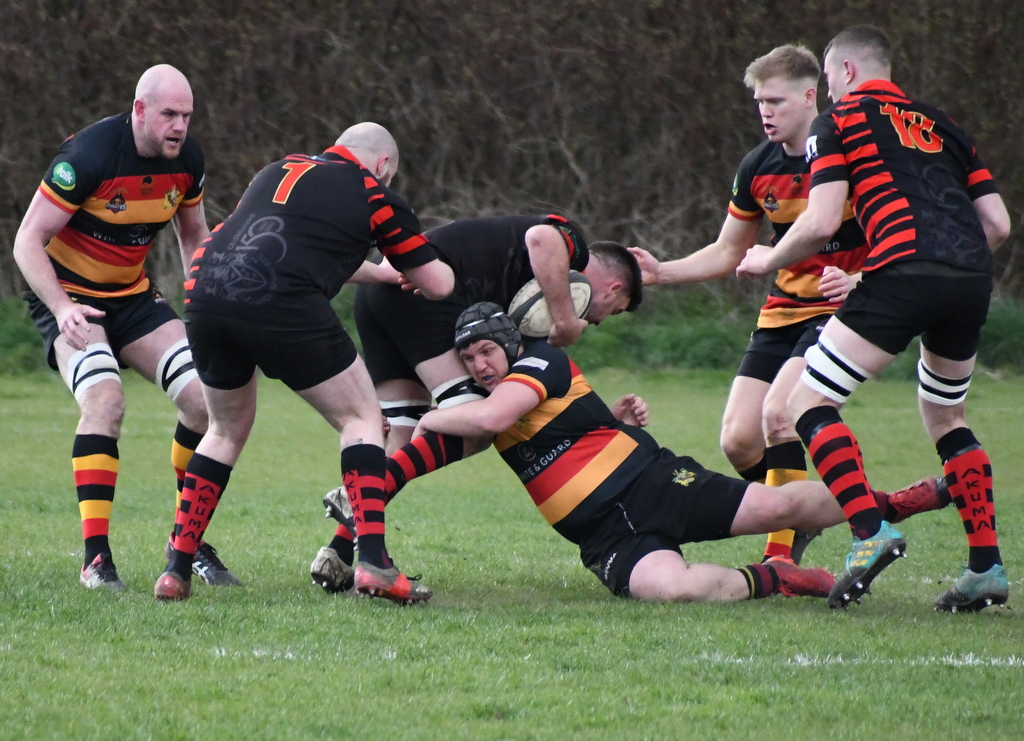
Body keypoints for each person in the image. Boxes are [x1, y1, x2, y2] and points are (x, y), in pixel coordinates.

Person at [319, 302, 949, 602]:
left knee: (777, 507)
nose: (480, 364)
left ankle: (894, 505)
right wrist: (370, 489)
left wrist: (422, 413)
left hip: (654, 483)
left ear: (509, 344)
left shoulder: (539, 363)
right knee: (671, 592)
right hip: (604, 537)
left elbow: (489, 417)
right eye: (469, 358)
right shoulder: (479, 405)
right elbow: (429, 457)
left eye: (487, 350)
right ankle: (777, 577)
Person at [736, 25, 1011, 611]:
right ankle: (985, 568)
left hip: (901, 272)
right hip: (970, 277)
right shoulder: (944, 125)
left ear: (847, 71)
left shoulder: (836, 121)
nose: (829, 89)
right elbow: (998, 224)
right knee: (947, 416)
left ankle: (870, 530)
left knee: (805, 404)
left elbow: (820, 220)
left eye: (829, 77)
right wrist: (952, 265)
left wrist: (769, 258)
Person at [152, 122, 455, 603]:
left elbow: (302, 247)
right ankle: (374, 564)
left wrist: (380, 275)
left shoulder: (278, 169)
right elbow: (437, 284)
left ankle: (176, 569)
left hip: (205, 290)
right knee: (362, 418)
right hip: (280, 300)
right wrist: (431, 268)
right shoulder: (373, 192)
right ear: (382, 165)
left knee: (224, 430)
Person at [629, 44, 876, 566]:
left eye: (775, 101)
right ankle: (816, 509)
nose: (765, 111)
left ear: (810, 96)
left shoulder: (852, 154)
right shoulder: (758, 165)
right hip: (782, 312)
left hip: (840, 313)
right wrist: (660, 272)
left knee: (779, 416)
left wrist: (859, 279)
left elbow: (900, 238)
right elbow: (729, 250)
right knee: (739, 441)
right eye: (759, 102)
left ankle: (780, 557)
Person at [309, 218, 643, 590]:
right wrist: (565, 321)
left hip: (381, 295)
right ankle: (363, 492)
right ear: (613, 289)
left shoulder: (534, 275)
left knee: (401, 437)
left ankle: (339, 554)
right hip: (421, 295)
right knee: (475, 425)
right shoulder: (572, 248)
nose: (599, 321)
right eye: (613, 311)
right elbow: (540, 237)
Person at [13, 64, 239, 590]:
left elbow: (193, 235)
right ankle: (95, 559)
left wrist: (206, 304)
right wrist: (62, 308)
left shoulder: (187, 160)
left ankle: (186, 541)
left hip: (131, 296)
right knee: (106, 402)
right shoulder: (89, 156)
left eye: (187, 115)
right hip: (70, 297)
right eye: (169, 114)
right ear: (139, 110)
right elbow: (27, 240)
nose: (179, 126)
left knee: (205, 401)